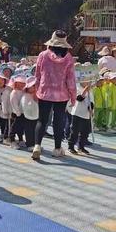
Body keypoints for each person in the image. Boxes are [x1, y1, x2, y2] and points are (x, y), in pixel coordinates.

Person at [32, 31, 77, 161]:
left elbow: (37, 75)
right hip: (61, 95)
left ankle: (37, 146)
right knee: (59, 122)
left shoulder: (43, 55)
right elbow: (71, 80)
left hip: (44, 92)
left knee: (42, 120)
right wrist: (73, 96)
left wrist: (36, 90)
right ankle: (57, 149)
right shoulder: (68, 58)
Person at [67, 80, 93, 155]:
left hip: (86, 114)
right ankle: (71, 147)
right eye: (86, 81)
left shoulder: (91, 91)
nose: (88, 83)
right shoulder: (77, 88)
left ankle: (81, 147)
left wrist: (91, 109)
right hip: (77, 113)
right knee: (74, 131)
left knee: (85, 132)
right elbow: (79, 98)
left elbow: (91, 101)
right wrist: (85, 90)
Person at [21, 76, 39, 151]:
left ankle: (35, 144)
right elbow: (25, 106)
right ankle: (29, 144)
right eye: (33, 86)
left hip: (36, 115)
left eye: (35, 86)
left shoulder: (37, 95)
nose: (34, 88)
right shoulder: (25, 96)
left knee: (36, 130)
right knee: (29, 131)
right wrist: (34, 101)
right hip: (28, 116)